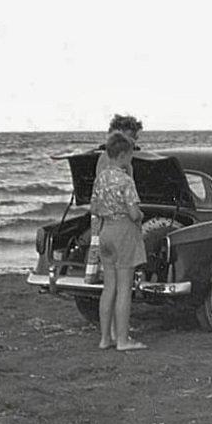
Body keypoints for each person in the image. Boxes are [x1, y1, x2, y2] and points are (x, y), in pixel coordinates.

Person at [90, 131, 147, 351]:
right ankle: (123, 340)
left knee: (108, 287)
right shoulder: (126, 180)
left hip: (105, 231)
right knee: (124, 288)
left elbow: (93, 207)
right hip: (123, 231)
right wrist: (140, 215)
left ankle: (105, 338)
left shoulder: (101, 177)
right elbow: (134, 213)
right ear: (123, 155)